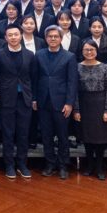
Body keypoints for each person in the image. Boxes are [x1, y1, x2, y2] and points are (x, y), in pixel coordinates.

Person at [34, 25, 78, 180]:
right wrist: (34, 98)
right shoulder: (39, 55)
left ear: (61, 38)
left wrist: (69, 103)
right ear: (46, 38)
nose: (53, 39)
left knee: (62, 135)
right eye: (50, 36)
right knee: (46, 135)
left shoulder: (69, 56)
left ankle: (63, 165)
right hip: (43, 101)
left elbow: (72, 82)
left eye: (56, 36)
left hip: (62, 102)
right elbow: (35, 78)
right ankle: (50, 164)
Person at [0, 24, 37, 179]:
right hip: (7, 99)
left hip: (25, 99)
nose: (13, 37)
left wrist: (33, 98)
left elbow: (33, 78)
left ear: (21, 35)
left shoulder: (29, 54)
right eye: (10, 35)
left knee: (23, 133)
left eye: (16, 34)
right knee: (8, 133)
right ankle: (9, 165)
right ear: (5, 38)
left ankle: (22, 164)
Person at [74, 40, 107, 180]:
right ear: (82, 51)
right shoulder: (77, 67)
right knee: (87, 138)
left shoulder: (104, 67)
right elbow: (74, 90)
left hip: (100, 104)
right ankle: (89, 165)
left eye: (92, 49)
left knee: (100, 138)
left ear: (96, 51)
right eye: (86, 49)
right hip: (84, 105)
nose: (89, 52)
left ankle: (99, 167)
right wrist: (76, 110)